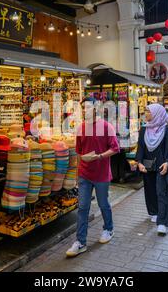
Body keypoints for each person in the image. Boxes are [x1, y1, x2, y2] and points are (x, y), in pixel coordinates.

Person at [66, 97, 120, 257]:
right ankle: (80, 242)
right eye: (82, 108)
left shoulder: (106, 126)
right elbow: (79, 152)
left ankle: (108, 229)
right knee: (82, 208)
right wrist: (77, 174)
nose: (84, 110)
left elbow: (115, 148)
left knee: (103, 204)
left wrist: (100, 157)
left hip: (101, 174)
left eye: (88, 107)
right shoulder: (80, 128)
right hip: (84, 173)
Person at [135, 104, 168, 236]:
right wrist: (139, 162)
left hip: (161, 166)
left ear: (156, 113)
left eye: (148, 112)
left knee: (161, 192)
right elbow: (141, 147)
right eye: (145, 111)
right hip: (147, 165)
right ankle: (154, 212)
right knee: (150, 190)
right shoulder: (144, 130)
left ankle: (163, 222)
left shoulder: (167, 130)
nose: (145, 114)